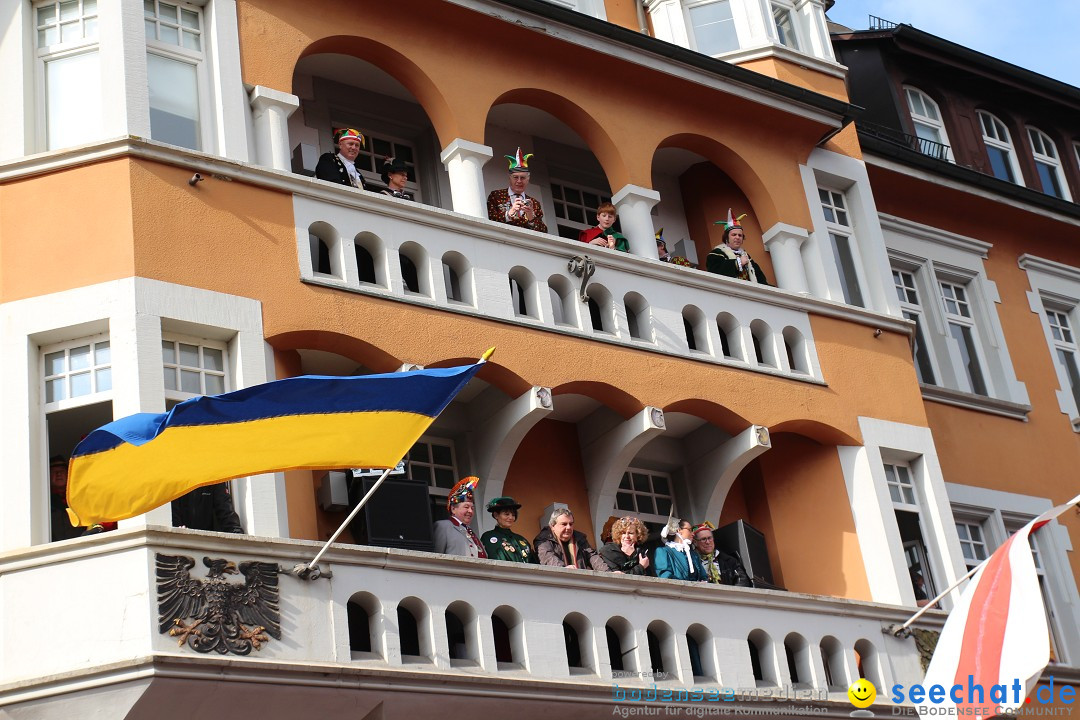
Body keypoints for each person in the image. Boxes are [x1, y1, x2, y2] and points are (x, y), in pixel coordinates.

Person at [487, 147, 547, 233]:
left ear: (528, 179)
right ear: (509, 178)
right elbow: (489, 219)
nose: (519, 181)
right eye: (515, 177)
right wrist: (509, 213)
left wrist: (531, 216)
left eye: (522, 178)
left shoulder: (534, 203)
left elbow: (543, 231)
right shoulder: (496, 196)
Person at [706, 209, 769, 285]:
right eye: (734, 235)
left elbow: (760, 279)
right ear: (726, 238)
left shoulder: (747, 257)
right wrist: (737, 263)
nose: (737, 237)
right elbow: (715, 271)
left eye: (740, 235)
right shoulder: (716, 253)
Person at [534, 507, 609, 571]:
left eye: (571, 524)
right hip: (556, 584)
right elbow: (548, 558)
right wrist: (564, 569)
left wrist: (607, 572)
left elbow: (593, 557)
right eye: (564, 524)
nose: (569, 527)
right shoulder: (543, 539)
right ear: (552, 526)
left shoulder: (580, 539)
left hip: (580, 583)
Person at [432, 476, 487, 558]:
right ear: (453, 509)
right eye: (466, 507)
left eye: (472, 508)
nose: (470, 511)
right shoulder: (443, 526)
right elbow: (435, 556)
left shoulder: (471, 532)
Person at [480, 496, 538, 564]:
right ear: (496, 515)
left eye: (513, 515)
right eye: (506, 514)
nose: (510, 517)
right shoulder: (488, 537)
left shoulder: (522, 540)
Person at [692, 522, 752, 587]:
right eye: (703, 539)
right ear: (695, 542)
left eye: (709, 538)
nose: (708, 542)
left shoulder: (729, 561)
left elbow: (743, 582)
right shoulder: (691, 562)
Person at [172, 483, 244, 533]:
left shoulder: (214, 480)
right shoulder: (175, 479)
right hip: (177, 544)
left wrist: (238, 536)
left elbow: (226, 513)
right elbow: (172, 514)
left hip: (209, 546)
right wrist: (177, 529)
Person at [49, 455, 84, 541]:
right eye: (54, 471)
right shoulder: (45, 502)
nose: (59, 474)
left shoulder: (80, 498)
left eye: (62, 471)